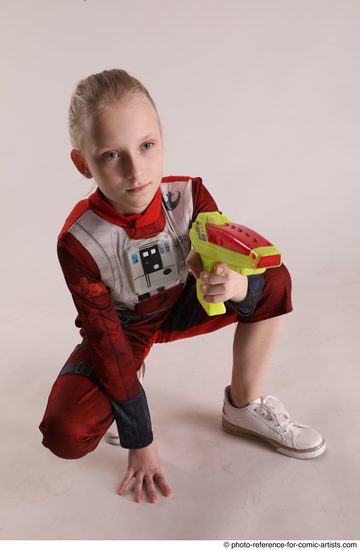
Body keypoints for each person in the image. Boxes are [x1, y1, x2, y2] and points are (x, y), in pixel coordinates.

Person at [39, 68, 326, 505]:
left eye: (147, 146)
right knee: (66, 433)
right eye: (112, 155)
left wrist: (229, 283)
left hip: (183, 301)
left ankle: (243, 405)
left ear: (161, 139)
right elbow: (103, 336)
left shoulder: (191, 195)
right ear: (83, 163)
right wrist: (141, 437)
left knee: (271, 279)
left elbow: (225, 250)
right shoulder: (79, 241)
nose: (136, 170)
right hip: (124, 328)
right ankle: (132, 376)